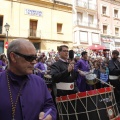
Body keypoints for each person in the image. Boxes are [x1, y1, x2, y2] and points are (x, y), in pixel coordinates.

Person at [0, 39, 57, 120]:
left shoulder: (40, 82)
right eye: (29, 58)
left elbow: (50, 106)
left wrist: (49, 115)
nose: (34, 62)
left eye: (35, 57)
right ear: (13, 57)